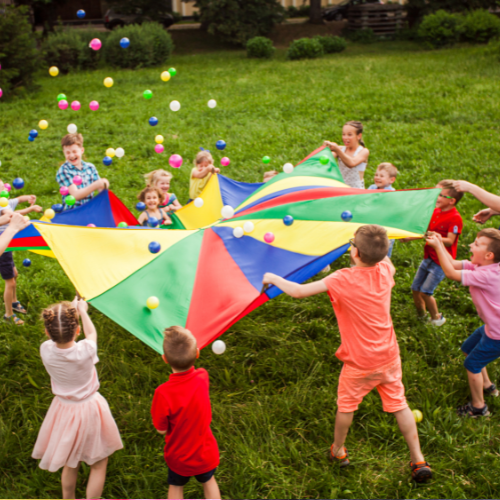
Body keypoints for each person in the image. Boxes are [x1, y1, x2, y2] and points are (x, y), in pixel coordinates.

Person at [262, 225, 432, 483]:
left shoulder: (341, 278)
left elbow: (297, 291)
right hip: (388, 355)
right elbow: (381, 254)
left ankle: (338, 450)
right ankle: (418, 458)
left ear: (354, 253)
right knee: (400, 404)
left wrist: (272, 278)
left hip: (360, 362)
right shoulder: (387, 269)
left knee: (347, 406)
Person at [32, 299, 123, 499]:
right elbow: (92, 334)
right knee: (99, 463)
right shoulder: (86, 350)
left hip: (64, 410)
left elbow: (63, 332)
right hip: (90, 409)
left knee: (70, 461)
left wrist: (71, 311)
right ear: (78, 330)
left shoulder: (45, 350)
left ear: (47, 332)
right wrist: (82, 310)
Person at [426, 229, 500, 417]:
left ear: (489, 255)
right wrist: (439, 244)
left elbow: (450, 273)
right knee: (469, 348)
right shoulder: (480, 266)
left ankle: (478, 407)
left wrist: (437, 245)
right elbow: (451, 263)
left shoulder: (487, 275)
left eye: (476, 244)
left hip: (497, 335)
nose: (470, 245)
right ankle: (488, 386)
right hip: (491, 327)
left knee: (471, 365)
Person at [151, 326, 221, 499]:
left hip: (179, 457)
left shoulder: (163, 393)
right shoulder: (203, 376)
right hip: (205, 453)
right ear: (197, 354)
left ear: (164, 359)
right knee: (209, 480)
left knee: (175, 485)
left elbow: (160, 429)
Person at [407, 181, 463, 326]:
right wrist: (410, 236)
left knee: (426, 292)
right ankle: (421, 316)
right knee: (415, 288)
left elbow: (450, 241)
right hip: (428, 257)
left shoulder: (455, 218)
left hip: (441, 262)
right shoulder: (436, 211)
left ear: (451, 201)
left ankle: (436, 319)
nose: (435, 197)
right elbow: (426, 233)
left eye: (439, 195)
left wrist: (436, 237)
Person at [0, 179, 43, 325]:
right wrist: (4, 219)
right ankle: (8, 315)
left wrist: (29, 202)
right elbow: (10, 215)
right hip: (1, 249)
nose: (2, 192)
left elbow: (18, 201)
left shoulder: (4, 202)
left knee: (15, 274)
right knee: (10, 282)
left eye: (2, 188)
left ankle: (13, 301)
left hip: (7, 248)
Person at [56, 134, 109, 210]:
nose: (71, 155)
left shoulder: (90, 168)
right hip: (72, 213)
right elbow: (75, 195)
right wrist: (96, 185)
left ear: (82, 150)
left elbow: (101, 189)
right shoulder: (64, 170)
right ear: (63, 153)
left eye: (74, 151)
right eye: (67, 152)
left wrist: (104, 185)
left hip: (89, 211)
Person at [324, 121, 370, 189]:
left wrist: (337, 149)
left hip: (357, 191)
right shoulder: (340, 149)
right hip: (342, 188)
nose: (345, 137)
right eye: (343, 134)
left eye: (349, 134)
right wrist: (325, 149)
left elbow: (352, 163)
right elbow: (327, 158)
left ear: (359, 136)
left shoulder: (364, 151)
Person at [367, 163, 398, 257]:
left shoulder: (392, 193)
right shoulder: (372, 188)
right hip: (372, 223)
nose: (377, 177)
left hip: (386, 227)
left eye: (381, 176)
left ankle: (384, 265)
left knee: (384, 248)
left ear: (391, 180)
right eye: (376, 175)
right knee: (369, 245)